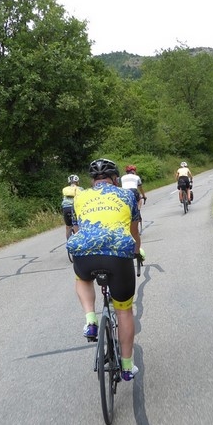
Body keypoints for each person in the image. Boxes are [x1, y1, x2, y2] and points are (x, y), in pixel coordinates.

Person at [67, 158, 143, 381]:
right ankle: (127, 367)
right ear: (115, 179)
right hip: (118, 257)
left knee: (82, 278)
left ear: (92, 180)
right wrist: (136, 251)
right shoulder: (127, 196)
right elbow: (133, 231)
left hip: (85, 255)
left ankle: (91, 320)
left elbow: (77, 228)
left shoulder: (79, 197)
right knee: (124, 311)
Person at [119, 164, 147, 232]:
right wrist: (144, 196)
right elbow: (140, 188)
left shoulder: (122, 177)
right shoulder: (136, 177)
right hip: (133, 191)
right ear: (133, 171)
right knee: (139, 200)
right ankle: (138, 211)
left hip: (124, 192)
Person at [61, 174, 82, 239]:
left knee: (68, 226)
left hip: (65, 208)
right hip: (75, 208)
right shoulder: (80, 189)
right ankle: (78, 240)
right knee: (76, 225)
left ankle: (69, 242)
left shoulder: (65, 189)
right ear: (77, 182)